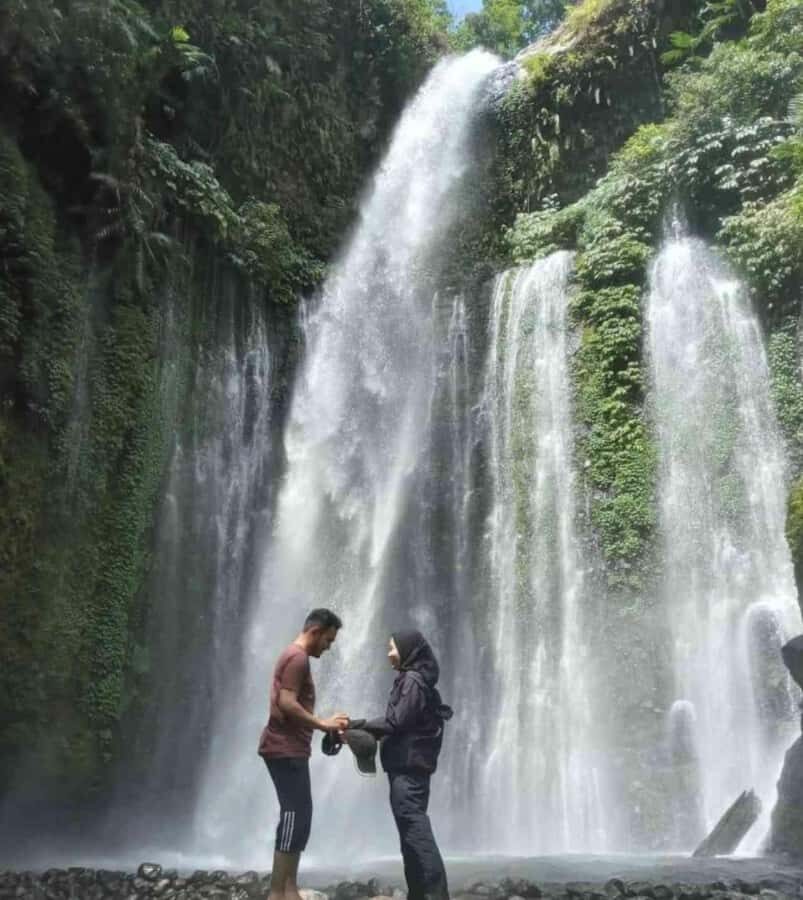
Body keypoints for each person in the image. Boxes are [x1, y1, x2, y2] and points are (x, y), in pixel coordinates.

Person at [354, 629, 453, 900]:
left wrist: (359, 725)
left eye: (392, 648)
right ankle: (419, 893)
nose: (388, 654)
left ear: (408, 650)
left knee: (415, 831)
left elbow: (397, 721)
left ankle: (435, 894)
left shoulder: (412, 680)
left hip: (408, 769)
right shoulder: (413, 679)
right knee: (409, 833)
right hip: (408, 768)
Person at [258, 609, 349, 900]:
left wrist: (326, 725)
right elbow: (286, 702)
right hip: (283, 749)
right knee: (293, 816)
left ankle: (289, 889)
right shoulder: (297, 658)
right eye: (328, 640)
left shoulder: (295, 656)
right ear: (315, 632)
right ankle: (276, 893)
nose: (329, 647)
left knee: (302, 816)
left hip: (292, 748)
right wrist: (323, 724)